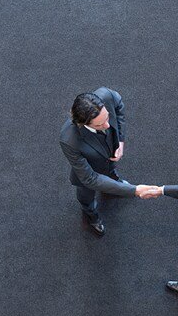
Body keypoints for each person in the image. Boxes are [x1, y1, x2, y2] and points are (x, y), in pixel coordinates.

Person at [59, 87, 156, 236]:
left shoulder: (106, 95)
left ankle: (114, 184)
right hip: (88, 174)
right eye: (99, 125)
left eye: (107, 118)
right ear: (83, 124)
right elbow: (90, 178)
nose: (107, 125)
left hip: (108, 157)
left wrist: (120, 141)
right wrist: (134, 191)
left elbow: (119, 108)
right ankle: (91, 214)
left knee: (111, 174)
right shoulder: (69, 140)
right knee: (86, 197)